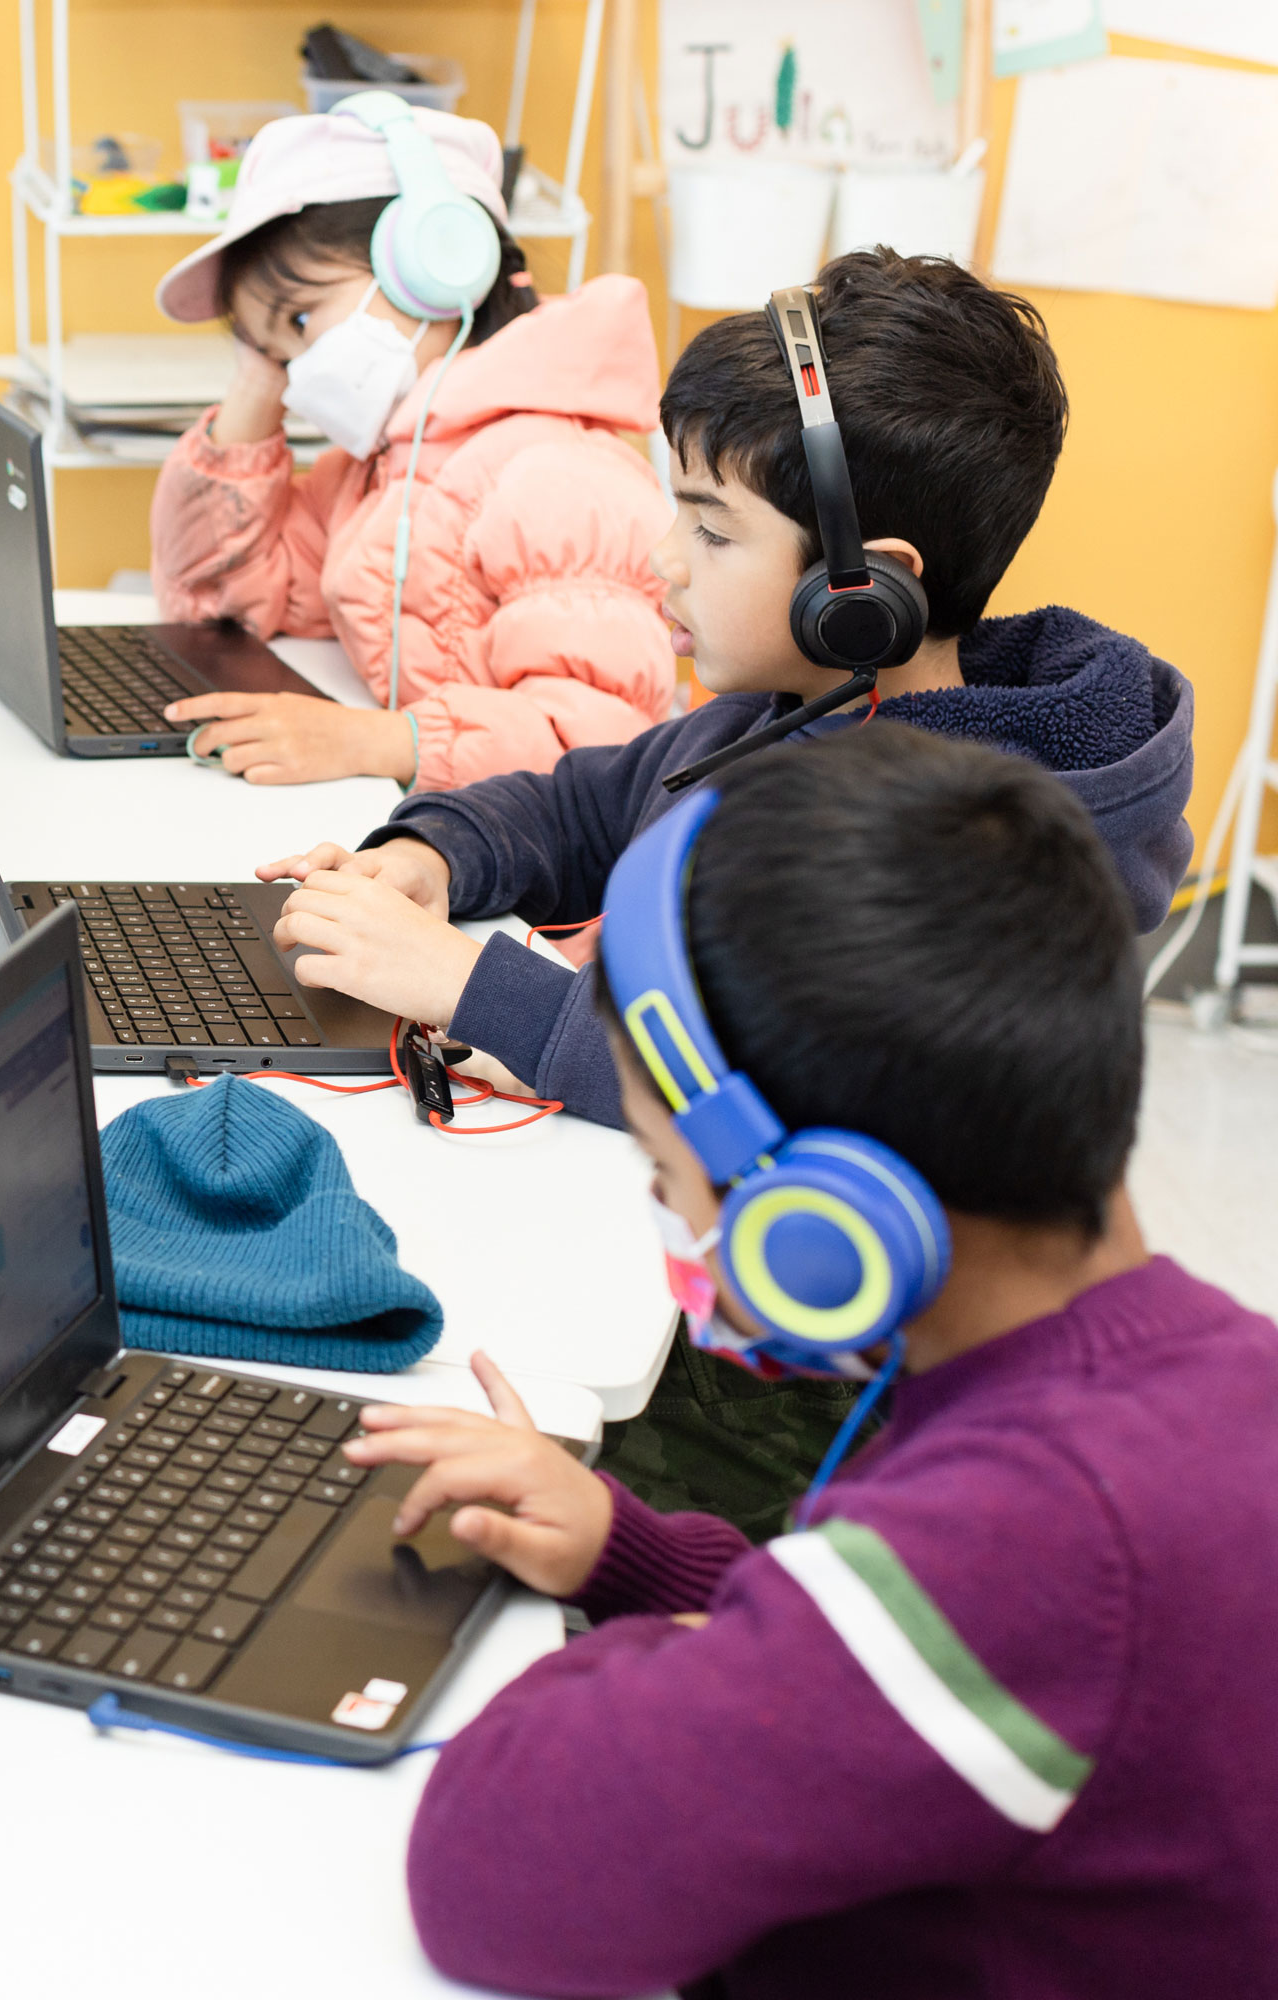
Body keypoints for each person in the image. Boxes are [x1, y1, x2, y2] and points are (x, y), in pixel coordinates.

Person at [264, 250, 1194, 1535]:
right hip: (664, 1256)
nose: (662, 560)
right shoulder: (789, 704)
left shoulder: (932, 847)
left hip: (791, 1385)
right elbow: (594, 796)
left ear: (863, 586)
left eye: (709, 528)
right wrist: (434, 849)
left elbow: (763, 1101)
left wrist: (469, 985)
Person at [349, 727, 1278, 1997]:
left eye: (670, 1175)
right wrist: (636, 1555)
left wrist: (632, 1649)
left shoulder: (1041, 1535)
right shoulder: (1206, 1376)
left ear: (819, 1223)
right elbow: (875, 1659)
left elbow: (493, 1873)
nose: (673, 1219)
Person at [144, 101, 673, 790]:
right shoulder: (371, 473)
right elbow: (218, 602)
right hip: (447, 838)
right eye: (272, 352)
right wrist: (257, 378)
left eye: (300, 321)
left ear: (437, 266)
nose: (295, 374)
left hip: (535, 884)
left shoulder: (557, 477)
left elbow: (602, 754)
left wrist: (384, 741)